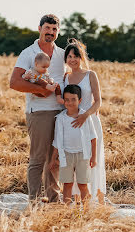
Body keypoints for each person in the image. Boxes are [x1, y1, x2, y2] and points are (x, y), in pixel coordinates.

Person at [10, 14, 66, 202]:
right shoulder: (28, 53)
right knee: (38, 158)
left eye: (54, 29)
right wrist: (41, 91)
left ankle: (53, 199)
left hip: (61, 112)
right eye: (47, 28)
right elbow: (15, 82)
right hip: (39, 112)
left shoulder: (62, 54)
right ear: (40, 28)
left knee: (55, 159)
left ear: (57, 32)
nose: (50, 32)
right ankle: (33, 201)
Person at [63, 38, 106, 204]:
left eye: (76, 56)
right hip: (72, 126)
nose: (72, 59)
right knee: (74, 161)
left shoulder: (90, 75)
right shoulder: (65, 77)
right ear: (66, 59)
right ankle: (74, 200)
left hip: (90, 122)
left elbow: (98, 101)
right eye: (69, 57)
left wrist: (85, 115)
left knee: (89, 161)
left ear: (81, 57)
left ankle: (92, 200)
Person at [49, 85, 97, 205]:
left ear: (79, 100)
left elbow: (93, 138)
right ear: (64, 101)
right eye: (67, 100)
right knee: (67, 184)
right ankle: (66, 210)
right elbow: (56, 141)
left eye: (73, 99)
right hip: (66, 155)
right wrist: (53, 158)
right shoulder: (60, 119)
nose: (70, 103)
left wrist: (94, 157)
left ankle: (86, 211)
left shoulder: (85, 117)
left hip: (83, 155)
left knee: (82, 184)